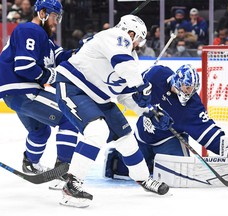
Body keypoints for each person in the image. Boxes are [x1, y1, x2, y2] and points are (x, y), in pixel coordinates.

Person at [54, 14, 173, 208]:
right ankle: (71, 184)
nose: (140, 44)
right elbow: (122, 63)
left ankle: (143, 178)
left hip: (99, 98)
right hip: (74, 87)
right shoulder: (116, 35)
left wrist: (148, 111)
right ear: (132, 32)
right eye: (140, 39)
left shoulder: (129, 58)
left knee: (126, 137)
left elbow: (124, 95)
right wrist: (141, 85)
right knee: (97, 131)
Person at [103, 64, 228, 184]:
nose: (189, 92)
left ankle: (154, 163)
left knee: (176, 176)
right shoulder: (156, 74)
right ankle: (124, 159)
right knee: (122, 172)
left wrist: (227, 145)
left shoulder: (192, 106)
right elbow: (132, 89)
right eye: (186, 87)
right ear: (177, 81)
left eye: (192, 89)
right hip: (143, 135)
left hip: (169, 140)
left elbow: (207, 131)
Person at [0, 0, 79, 185]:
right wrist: (50, 76)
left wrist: (85, 49)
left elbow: (61, 57)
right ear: (42, 13)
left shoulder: (44, 38)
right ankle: (63, 170)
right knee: (70, 117)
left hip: (17, 94)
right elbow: (25, 66)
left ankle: (31, 163)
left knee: (40, 132)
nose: (56, 22)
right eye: (54, 17)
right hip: (23, 90)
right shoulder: (31, 30)